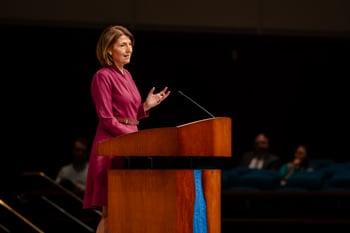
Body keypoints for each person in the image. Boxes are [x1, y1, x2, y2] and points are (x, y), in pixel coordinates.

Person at [83, 25, 171, 233]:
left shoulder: (127, 75)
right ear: (108, 50)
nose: (129, 48)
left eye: (130, 44)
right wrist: (134, 141)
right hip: (111, 146)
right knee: (111, 212)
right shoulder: (102, 76)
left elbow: (128, 116)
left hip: (129, 145)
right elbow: (106, 118)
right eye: (122, 44)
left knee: (126, 210)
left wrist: (146, 107)